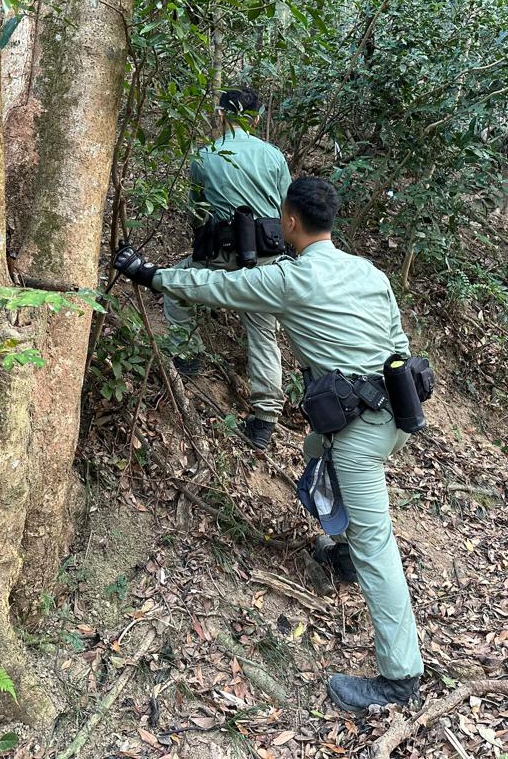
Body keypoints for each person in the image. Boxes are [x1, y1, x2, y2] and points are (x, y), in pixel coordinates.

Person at [114, 177, 424, 711]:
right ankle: (345, 554)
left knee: (379, 544)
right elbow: (398, 344)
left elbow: (217, 288)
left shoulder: (292, 279)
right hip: (394, 416)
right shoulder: (370, 273)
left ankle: (400, 677)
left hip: (356, 435)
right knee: (312, 453)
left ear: (289, 222)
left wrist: (148, 275)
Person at [166, 86, 291, 449]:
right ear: (254, 119)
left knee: (175, 284)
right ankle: (265, 420)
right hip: (268, 262)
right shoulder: (273, 156)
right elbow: (286, 209)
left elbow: (197, 210)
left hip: (222, 257)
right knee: (263, 333)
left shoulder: (205, 156)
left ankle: (188, 357)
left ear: (221, 115)